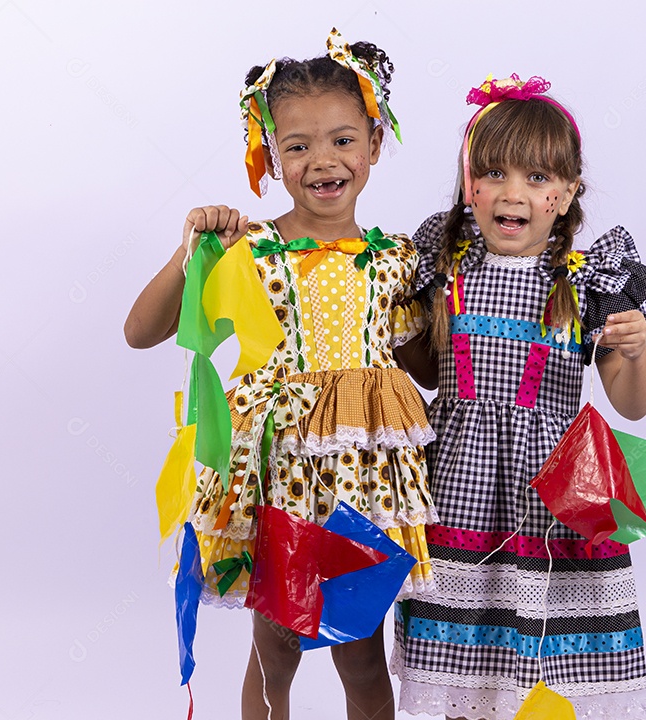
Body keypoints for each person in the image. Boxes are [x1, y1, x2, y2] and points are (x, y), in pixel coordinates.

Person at [124, 30, 437, 720]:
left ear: (375, 143)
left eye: (342, 140)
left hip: (363, 477)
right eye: (297, 146)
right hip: (279, 469)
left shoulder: (396, 261)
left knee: (360, 648)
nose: (322, 161)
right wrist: (192, 250)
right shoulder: (251, 248)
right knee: (278, 642)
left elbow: (432, 368)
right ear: (269, 156)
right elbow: (140, 332)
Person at [390, 75, 646, 720]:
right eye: (493, 173)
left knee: (543, 656)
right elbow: (418, 368)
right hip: (456, 481)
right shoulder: (444, 271)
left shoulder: (585, 284)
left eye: (536, 178)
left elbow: (630, 404)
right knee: (464, 652)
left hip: (551, 490)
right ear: (467, 184)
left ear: (567, 195)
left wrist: (634, 351)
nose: (512, 193)